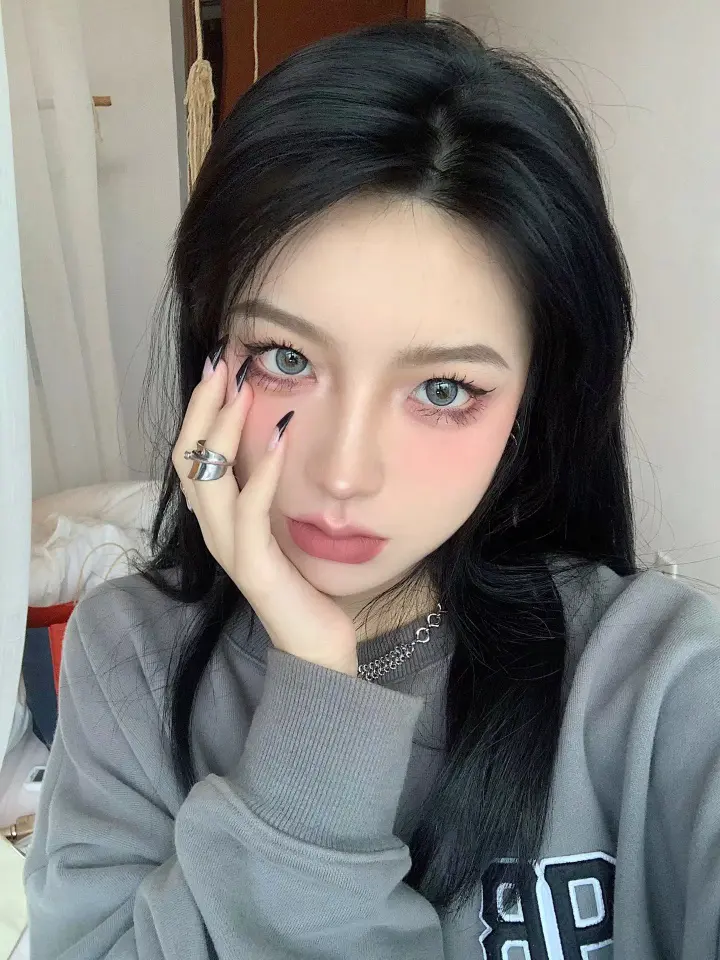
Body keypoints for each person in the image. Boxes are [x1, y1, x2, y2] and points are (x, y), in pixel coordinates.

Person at [24, 16, 719, 960]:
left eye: (444, 390)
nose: (344, 473)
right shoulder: (130, 659)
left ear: (533, 406)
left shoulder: (662, 682)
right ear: (210, 352)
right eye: (285, 357)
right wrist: (319, 690)